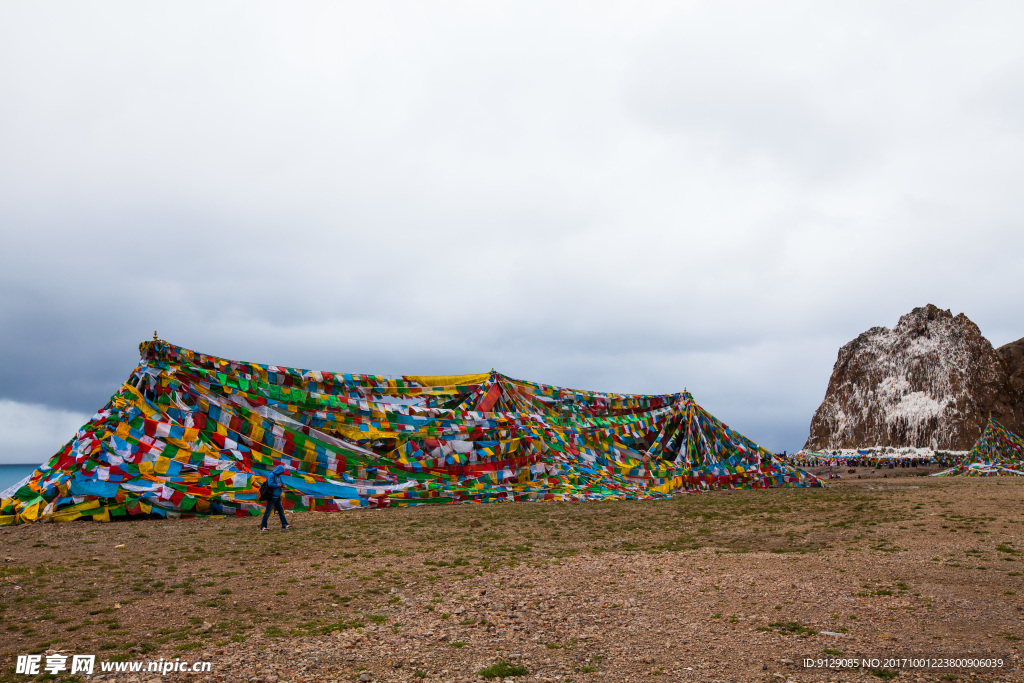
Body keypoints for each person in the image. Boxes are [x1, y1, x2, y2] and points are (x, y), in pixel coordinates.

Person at [260, 464, 292, 531]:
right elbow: (270, 484)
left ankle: (284, 525)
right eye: (281, 472)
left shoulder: (279, 477)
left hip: (277, 497)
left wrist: (283, 486)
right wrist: (278, 485)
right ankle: (263, 526)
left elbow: (282, 483)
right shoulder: (271, 475)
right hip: (272, 497)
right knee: (268, 511)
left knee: (281, 511)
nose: (281, 473)